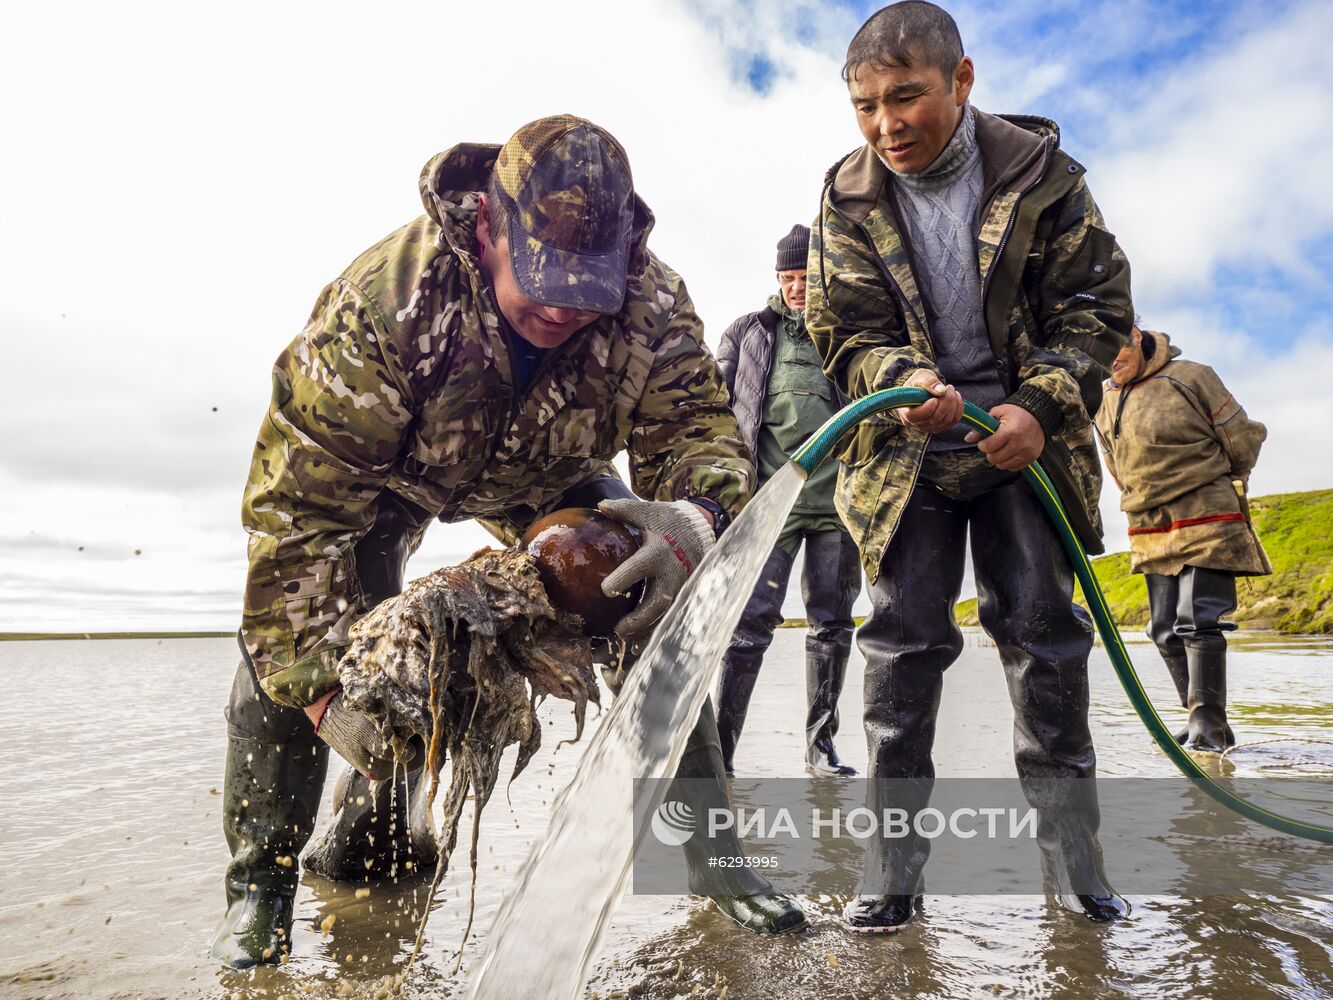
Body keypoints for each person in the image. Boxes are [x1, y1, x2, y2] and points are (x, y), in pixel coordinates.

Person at [212, 115, 806, 968]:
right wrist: (317, 693)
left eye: (587, 287)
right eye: (545, 279)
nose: (563, 307)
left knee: (654, 609)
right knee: (292, 654)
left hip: (550, 469)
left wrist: (694, 519)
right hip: (389, 483)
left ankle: (714, 858)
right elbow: (295, 518)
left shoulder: (651, 303)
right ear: (486, 225)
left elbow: (699, 436)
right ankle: (259, 890)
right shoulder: (383, 305)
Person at [805, 2, 1135, 932]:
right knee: (901, 652)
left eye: (905, 97)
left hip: (1021, 451)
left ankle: (1074, 864)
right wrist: (900, 380)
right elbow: (843, 333)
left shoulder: (1048, 178)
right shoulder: (845, 198)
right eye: (865, 106)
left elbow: (1095, 309)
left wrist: (1039, 407)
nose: (886, 125)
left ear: (961, 79)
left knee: (1044, 642)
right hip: (904, 457)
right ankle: (891, 873)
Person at [715, 224, 862, 777]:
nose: (797, 287)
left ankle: (821, 747)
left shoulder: (848, 335)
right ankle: (721, 752)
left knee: (832, 625)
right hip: (769, 508)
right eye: (788, 277)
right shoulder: (747, 333)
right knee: (748, 626)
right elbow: (714, 408)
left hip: (837, 508)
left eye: (805, 276)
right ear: (777, 278)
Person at [1094, 323, 1270, 751]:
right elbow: (1112, 458)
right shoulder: (1102, 397)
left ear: (1137, 337)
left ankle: (1209, 728)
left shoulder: (1192, 376)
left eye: (1118, 348)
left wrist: (1229, 480)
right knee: (1163, 630)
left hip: (1206, 512)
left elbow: (1242, 437)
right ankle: (1199, 720)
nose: (1111, 361)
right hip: (1149, 524)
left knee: (1198, 620)